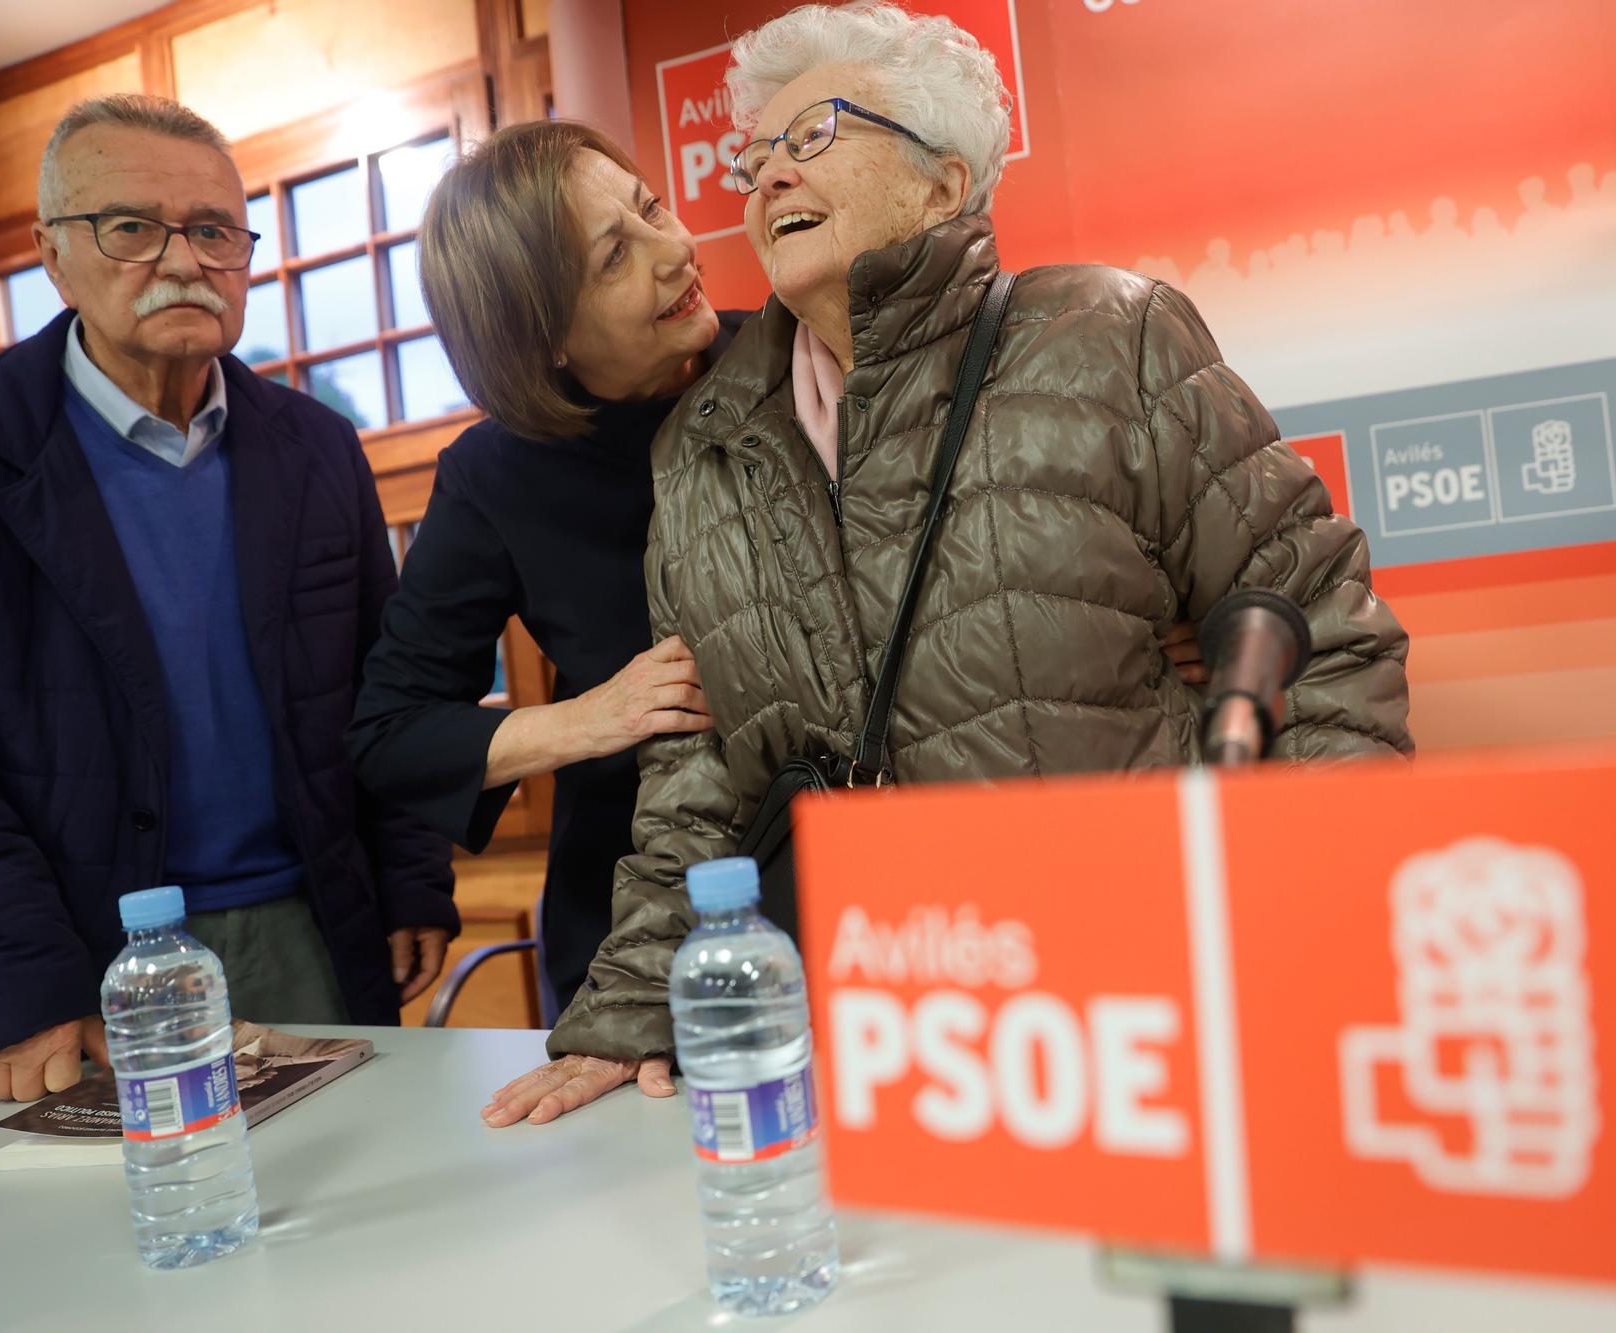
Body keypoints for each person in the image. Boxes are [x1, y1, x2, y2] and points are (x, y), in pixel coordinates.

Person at [481, 2, 1412, 1129]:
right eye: (755, 155)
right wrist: (625, 1007)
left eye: (812, 135)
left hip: (1136, 1012)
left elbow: (1321, 639)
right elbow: (699, 783)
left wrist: (1304, 935)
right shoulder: (704, 446)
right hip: (880, 1033)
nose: (766, 176)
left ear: (942, 182)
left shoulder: (1113, 341)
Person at [0, 95, 455, 1100]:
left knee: (355, 1213)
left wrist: (411, 875)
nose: (183, 261)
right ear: (52, 254)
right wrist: (19, 973)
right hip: (78, 953)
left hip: (311, 923)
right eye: (132, 227)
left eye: (215, 232)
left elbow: (387, 686)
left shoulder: (316, 447)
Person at [348, 121, 738, 1017]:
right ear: (544, 337)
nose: (677, 249)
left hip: (842, 871)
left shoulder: (789, 364)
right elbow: (390, 736)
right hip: (636, 930)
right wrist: (586, 718)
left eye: (651, 209)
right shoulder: (497, 474)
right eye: (614, 258)